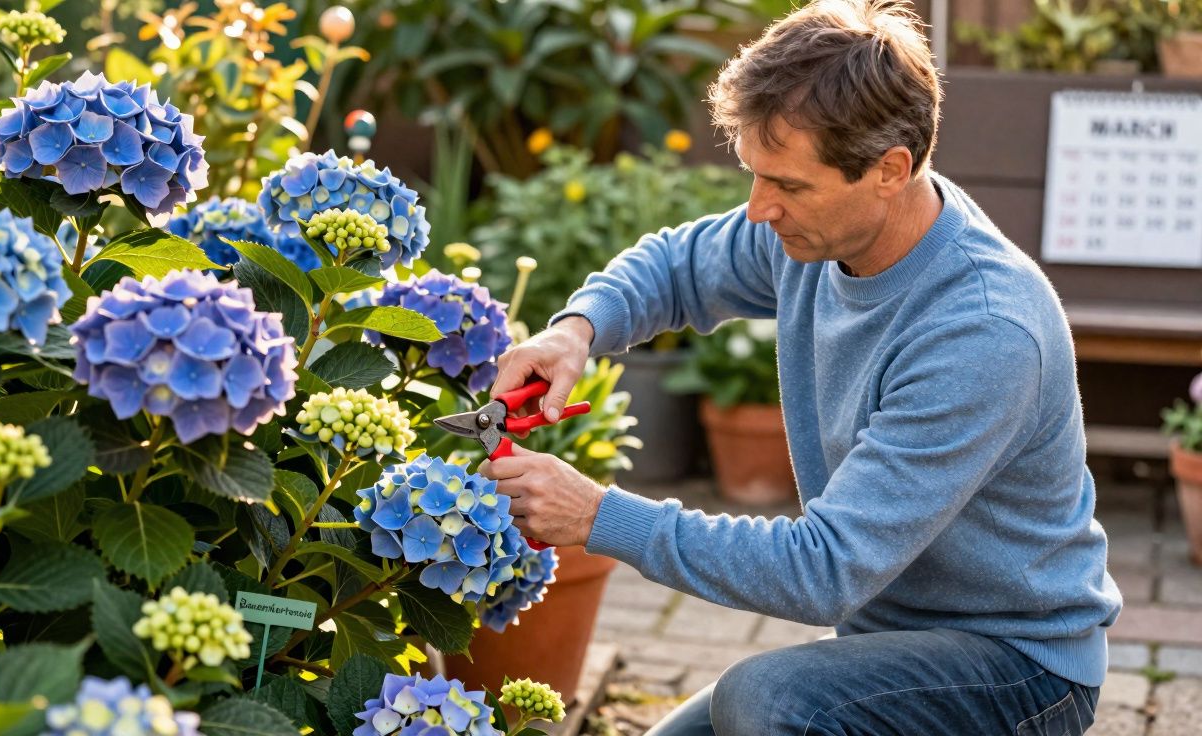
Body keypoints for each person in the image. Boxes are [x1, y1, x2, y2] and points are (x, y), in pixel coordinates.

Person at [476, 0, 1123, 733]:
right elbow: (678, 266)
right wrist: (575, 331)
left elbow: (825, 571)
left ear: (889, 170)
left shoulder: (982, 332)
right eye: (755, 175)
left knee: (768, 702)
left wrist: (599, 517)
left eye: (786, 184)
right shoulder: (828, 235)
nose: (758, 209)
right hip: (892, 643)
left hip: (1018, 669)